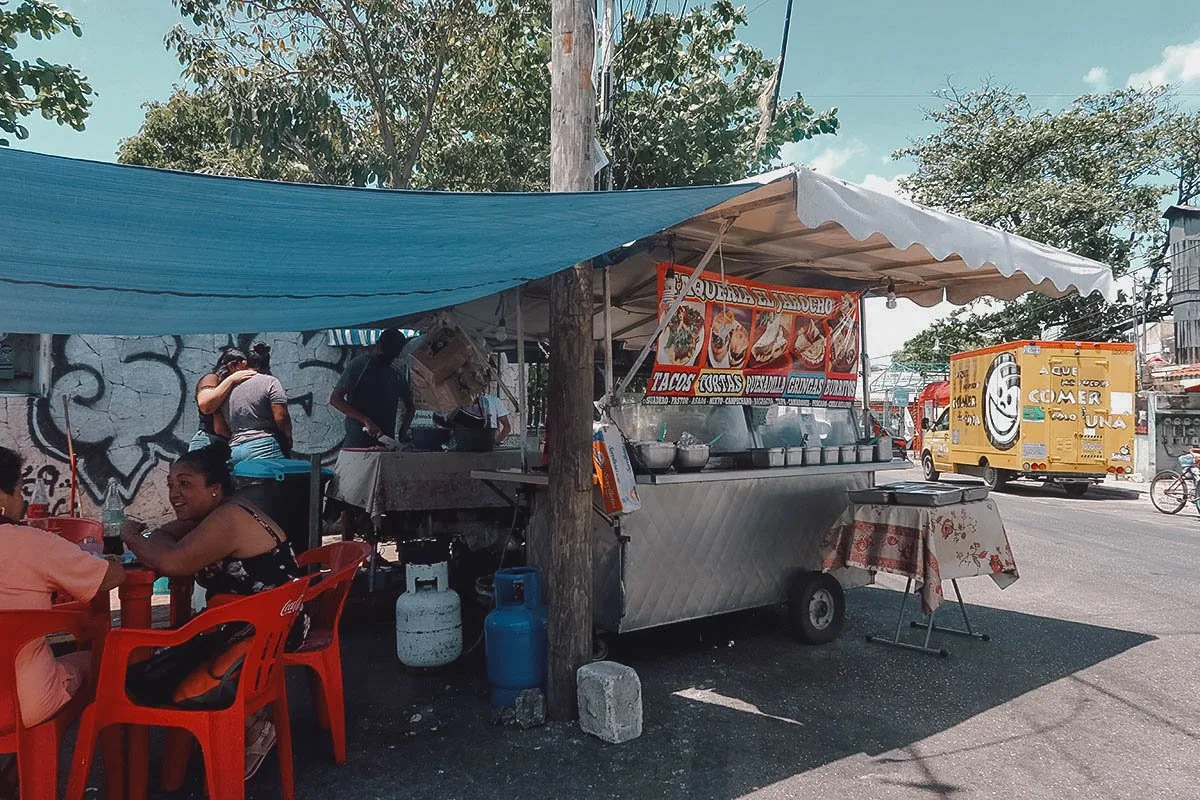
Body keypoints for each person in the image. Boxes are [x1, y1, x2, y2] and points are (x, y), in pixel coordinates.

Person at [119, 442, 305, 778]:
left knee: (136, 678)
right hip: (268, 624)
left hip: (257, 635)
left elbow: (171, 560)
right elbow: (163, 538)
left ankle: (244, 729)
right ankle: (244, 726)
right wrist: (151, 538)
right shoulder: (218, 514)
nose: (175, 494)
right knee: (151, 667)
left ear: (215, 489)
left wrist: (130, 534)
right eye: (172, 485)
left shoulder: (229, 519)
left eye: (186, 484)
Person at [0, 446, 125, 730]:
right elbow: (111, 578)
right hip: (23, 705)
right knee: (93, 661)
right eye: (19, 490)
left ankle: (12, 772)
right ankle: (91, 754)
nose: (22, 499)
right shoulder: (31, 543)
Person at [330, 329, 415, 448]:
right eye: (384, 354)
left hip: (385, 445)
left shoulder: (395, 373)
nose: (386, 359)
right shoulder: (359, 365)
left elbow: (410, 406)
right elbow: (335, 399)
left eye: (391, 357)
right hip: (356, 444)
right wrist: (365, 420)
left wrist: (402, 433)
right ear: (378, 345)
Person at [223, 343, 293, 464]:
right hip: (265, 447)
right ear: (267, 365)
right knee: (274, 482)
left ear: (247, 363)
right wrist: (287, 437)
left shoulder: (227, 386)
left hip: (235, 448)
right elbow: (281, 416)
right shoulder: (270, 381)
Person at [189, 348, 256, 452]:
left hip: (231, 442)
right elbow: (206, 406)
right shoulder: (211, 378)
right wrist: (232, 379)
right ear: (232, 366)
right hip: (208, 441)